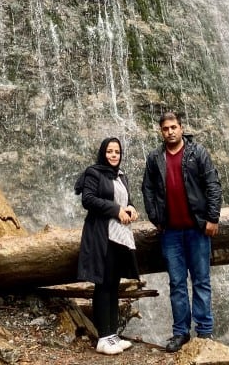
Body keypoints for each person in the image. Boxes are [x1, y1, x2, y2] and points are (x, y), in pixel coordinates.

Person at [141, 110, 222, 353]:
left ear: (181, 127)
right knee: (177, 283)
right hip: (171, 233)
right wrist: (155, 217)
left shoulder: (197, 152)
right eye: (165, 129)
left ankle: (205, 332)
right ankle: (180, 333)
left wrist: (212, 218)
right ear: (161, 131)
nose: (170, 132)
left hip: (197, 229)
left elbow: (213, 184)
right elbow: (147, 188)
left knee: (201, 282)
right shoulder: (155, 157)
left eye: (173, 127)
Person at [75, 137, 140, 356]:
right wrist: (115, 210)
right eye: (110, 151)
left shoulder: (121, 176)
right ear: (103, 153)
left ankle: (112, 335)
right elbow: (88, 200)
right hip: (101, 234)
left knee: (113, 284)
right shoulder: (94, 173)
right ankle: (103, 337)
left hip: (119, 236)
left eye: (117, 152)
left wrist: (131, 208)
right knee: (103, 284)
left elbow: (125, 199)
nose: (114, 155)